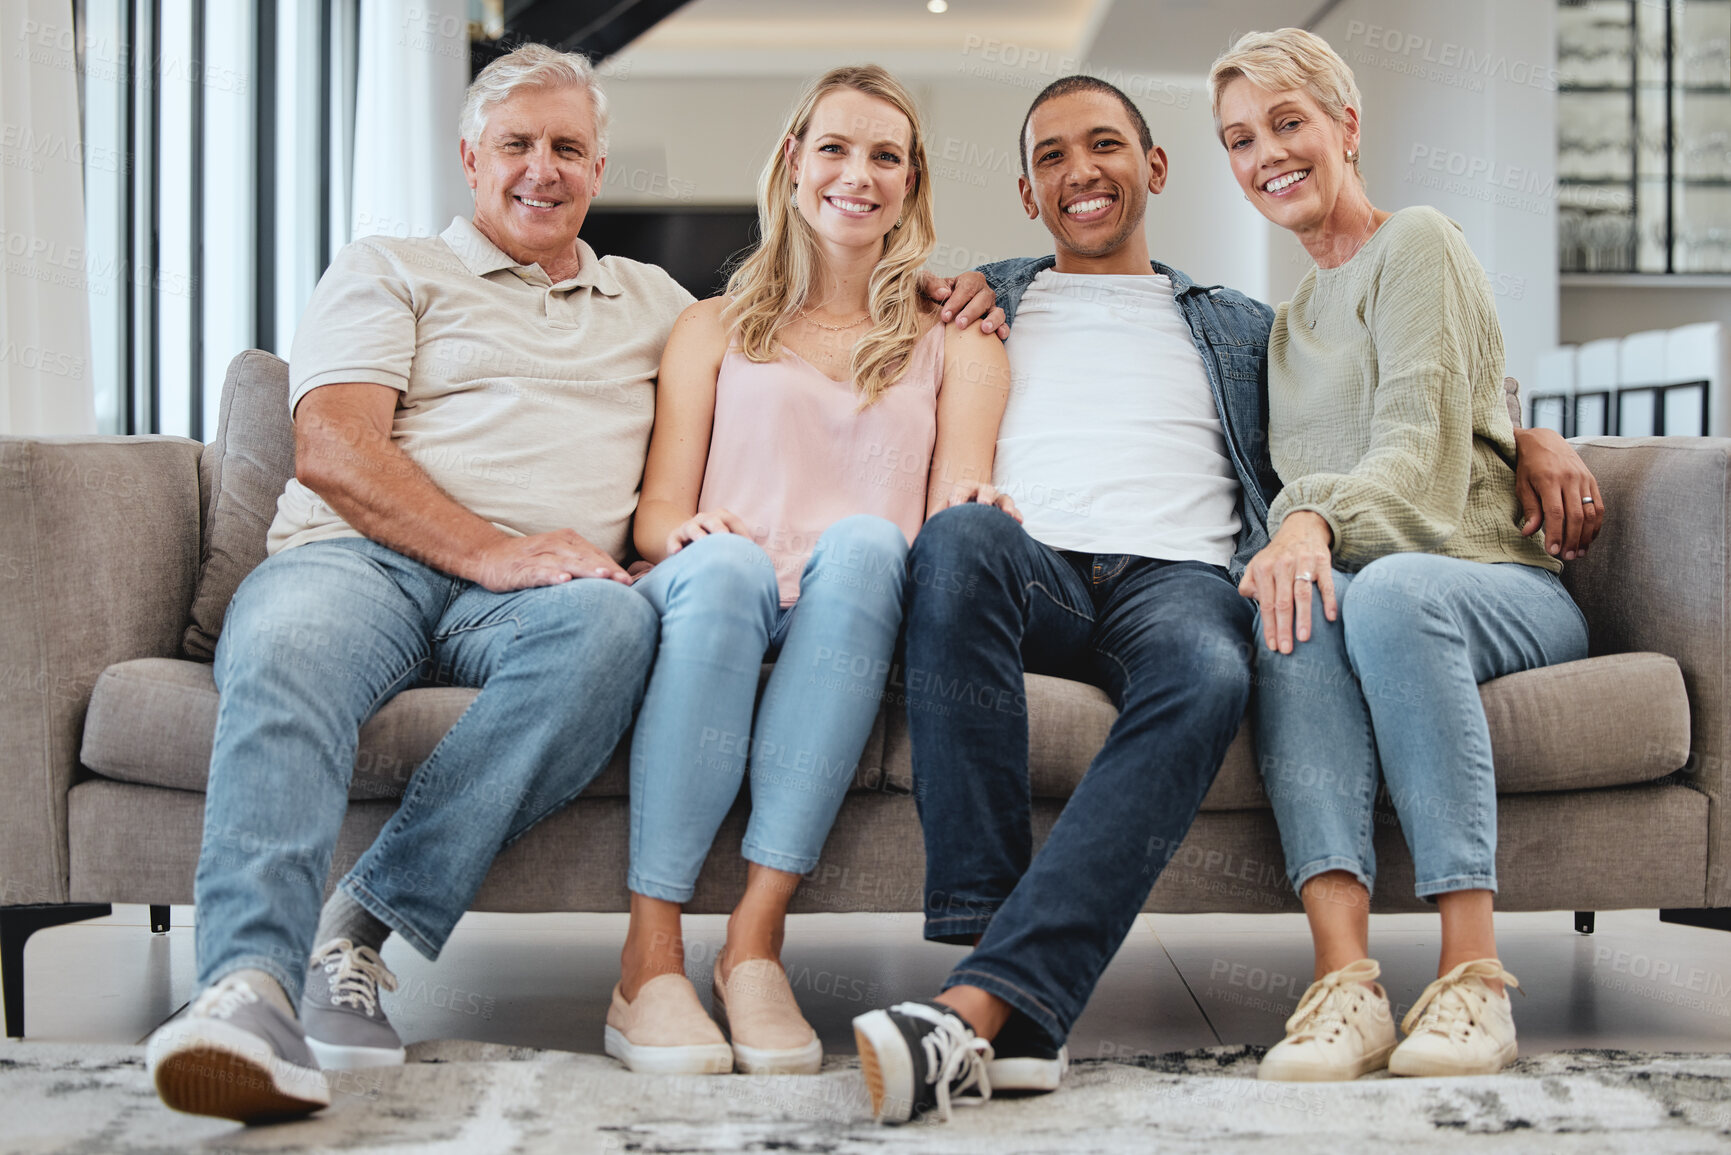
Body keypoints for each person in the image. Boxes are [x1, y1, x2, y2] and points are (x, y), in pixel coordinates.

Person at [850, 73, 1602, 1124]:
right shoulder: (984, 301)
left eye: (1104, 144)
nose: (1081, 171)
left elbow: (1401, 390)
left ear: (1153, 168)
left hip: (1185, 580)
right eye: (1051, 156)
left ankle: (996, 1024)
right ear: (1027, 192)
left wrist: (1527, 436)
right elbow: (828, 328)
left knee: (1211, 671)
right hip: (1037, 563)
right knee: (960, 534)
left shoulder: (1254, 327)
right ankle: (992, 953)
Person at [606, 65, 1015, 1078]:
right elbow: (658, 515)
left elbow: (946, 511)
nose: (859, 174)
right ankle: (646, 962)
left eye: (887, 156)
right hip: (716, 589)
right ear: (794, 164)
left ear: (912, 184)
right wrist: (698, 538)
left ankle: (753, 943)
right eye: (835, 148)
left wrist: (982, 513)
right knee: (734, 564)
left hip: (856, 601)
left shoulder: (956, 340)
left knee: (872, 541)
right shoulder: (710, 328)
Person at [1209, 28, 1595, 1082]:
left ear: (1346, 126)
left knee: (1382, 591)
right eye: (1240, 139)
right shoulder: (1284, 328)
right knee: (1293, 597)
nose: (1267, 155)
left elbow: (1422, 475)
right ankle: (1348, 988)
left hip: (1494, 581)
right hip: (1385, 581)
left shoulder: (1418, 240)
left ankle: (1474, 978)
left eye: (1288, 123)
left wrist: (1315, 517)